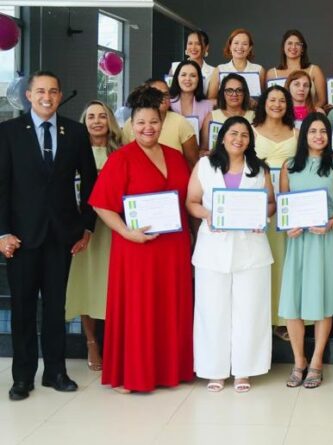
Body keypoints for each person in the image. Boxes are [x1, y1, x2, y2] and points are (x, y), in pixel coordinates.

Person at [89, 85, 194, 393]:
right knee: (139, 310)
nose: (148, 128)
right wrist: (125, 232)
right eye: (141, 123)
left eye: (154, 122)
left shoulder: (175, 157)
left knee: (170, 308)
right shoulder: (121, 158)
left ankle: (170, 370)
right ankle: (135, 373)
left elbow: (188, 198)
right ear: (130, 126)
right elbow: (101, 204)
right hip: (137, 247)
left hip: (173, 247)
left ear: (162, 124)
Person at [0, 71, 98, 401]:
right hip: (22, 238)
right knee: (24, 309)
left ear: (59, 96)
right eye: (40, 91)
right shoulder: (9, 132)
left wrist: (86, 226)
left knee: (56, 308)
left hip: (62, 235)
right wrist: (2, 232)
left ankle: (56, 372)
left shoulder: (75, 131)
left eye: (53, 91)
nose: (47, 96)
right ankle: (22, 377)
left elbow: (90, 181)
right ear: (28, 95)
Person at [187, 116, 275, 393]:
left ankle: (244, 370)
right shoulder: (204, 166)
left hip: (252, 248)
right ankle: (215, 370)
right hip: (213, 247)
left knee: (250, 310)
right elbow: (191, 202)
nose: (239, 139)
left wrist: (262, 216)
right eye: (233, 133)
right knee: (211, 310)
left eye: (245, 135)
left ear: (250, 141)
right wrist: (208, 215)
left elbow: (271, 203)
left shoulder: (259, 169)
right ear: (222, 136)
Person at [279, 113, 333, 389]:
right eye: (313, 131)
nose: (318, 136)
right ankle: (298, 361)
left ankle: (317, 362)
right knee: (293, 302)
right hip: (298, 243)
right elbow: (283, 206)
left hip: (325, 241)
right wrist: (288, 227)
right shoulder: (289, 167)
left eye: (323, 131)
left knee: (323, 300)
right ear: (304, 135)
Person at [65, 100, 122, 372]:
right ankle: (91, 342)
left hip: (115, 228)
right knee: (88, 284)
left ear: (110, 120)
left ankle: (115, 341)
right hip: (85, 228)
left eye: (102, 116)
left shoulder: (121, 152)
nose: (97, 121)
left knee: (112, 283)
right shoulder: (73, 151)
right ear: (84, 121)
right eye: (91, 117)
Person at [252, 85, 297, 341]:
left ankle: (283, 318)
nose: (277, 104)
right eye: (272, 100)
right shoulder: (251, 130)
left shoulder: (296, 132)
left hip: (289, 204)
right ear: (264, 103)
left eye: (282, 100)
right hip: (262, 203)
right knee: (263, 260)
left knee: (284, 262)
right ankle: (263, 317)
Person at [122, 78, 199, 167]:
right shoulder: (129, 124)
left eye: (166, 94)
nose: (163, 98)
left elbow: (193, 163)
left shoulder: (181, 123)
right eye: (157, 94)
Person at [267, 30, 326, 108]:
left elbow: (322, 100)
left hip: (308, 118)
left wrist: (308, 115)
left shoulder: (314, 70)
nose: (293, 47)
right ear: (283, 47)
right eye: (290, 43)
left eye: (297, 44)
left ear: (302, 49)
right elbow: (268, 101)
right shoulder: (272, 73)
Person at [200, 73, 255, 153]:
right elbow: (203, 150)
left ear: (244, 93)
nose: (234, 94)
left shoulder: (253, 116)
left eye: (239, 90)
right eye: (229, 90)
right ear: (223, 93)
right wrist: (208, 154)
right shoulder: (212, 116)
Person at [207, 28, 265, 101]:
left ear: (250, 48)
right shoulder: (220, 70)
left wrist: (255, 103)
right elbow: (210, 100)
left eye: (244, 44)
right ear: (230, 46)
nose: (240, 47)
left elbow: (264, 99)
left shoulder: (259, 70)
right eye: (236, 43)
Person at [168, 60, 214, 141]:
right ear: (177, 78)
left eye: (193, 76)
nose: (188, 79)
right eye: (183, 75)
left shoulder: (208, 106)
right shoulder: (167, 102)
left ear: (199, 79)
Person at [169, 30, 215, 96]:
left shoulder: (213, 72)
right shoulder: (175, 67)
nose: (193, 47)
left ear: (206, 47)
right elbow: (169, 94)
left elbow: (212, 99)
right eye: (190, 43)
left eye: (198, 44)